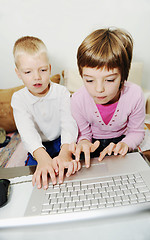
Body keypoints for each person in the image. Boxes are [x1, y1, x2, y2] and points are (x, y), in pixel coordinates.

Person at [11, 36, 81, 189]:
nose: (37, 77)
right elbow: (27, 132)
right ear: (18, 73)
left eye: (42, 70)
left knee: (74, 166)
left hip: (61, 140)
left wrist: (65, 153)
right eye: (28, 72)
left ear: (49, 68)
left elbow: (69, 123)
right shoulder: (18, 98)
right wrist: (42, 158)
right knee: (38, 175)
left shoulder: (61, 92)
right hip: (38, 145)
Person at [70, 28, 145, 168]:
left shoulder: (134, 94)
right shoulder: (77, 100)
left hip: (123, 141)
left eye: (109, 80)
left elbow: (136, 131)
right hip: (93, 145)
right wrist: (84, 143)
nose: (99, 89)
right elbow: (83, 134)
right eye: (89, 80)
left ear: (123, 75)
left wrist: (125, 144)